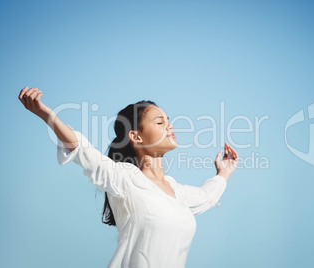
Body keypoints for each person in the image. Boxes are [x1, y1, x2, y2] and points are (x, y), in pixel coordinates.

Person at [18, 87, 239, 268]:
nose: (169, 125)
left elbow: (205, 196)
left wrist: (224, 172)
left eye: (168, 120)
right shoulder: (125, 178)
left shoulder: (176, 191)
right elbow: (85, 152)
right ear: (136, 136)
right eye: (160, 122)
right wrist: (48, 116)